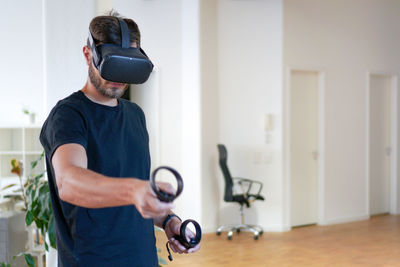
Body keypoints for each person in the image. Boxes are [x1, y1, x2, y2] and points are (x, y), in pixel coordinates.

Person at [40, 11, 200, 267]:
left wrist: (169, 220)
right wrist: (135, 190)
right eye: (112, 62)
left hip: (143, 259)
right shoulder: (68, 115)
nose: (118, 76)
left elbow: (133, 198)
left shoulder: (135, 115)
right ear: (88, 54)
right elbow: (69, 181)